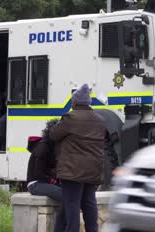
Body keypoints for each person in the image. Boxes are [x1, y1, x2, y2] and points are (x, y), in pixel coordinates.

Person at [50, 84, 107, 232]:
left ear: (74, 103)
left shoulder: (70, 118)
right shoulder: (100, 120)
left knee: (72, 206)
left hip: (72, 171)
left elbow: (54, 134)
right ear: (88, 103)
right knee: (89, 204)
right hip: (92, 170)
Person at [26, 119, 65, 232]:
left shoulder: (52, 146)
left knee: (70, 194)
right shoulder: (42, 148)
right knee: (65, 196)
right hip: (35, 184)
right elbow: (38, 173)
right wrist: (54, 181)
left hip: (44, 182)